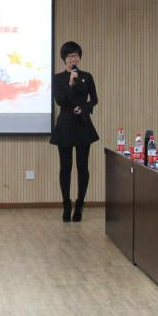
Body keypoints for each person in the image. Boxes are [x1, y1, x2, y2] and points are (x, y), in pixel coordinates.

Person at [49, 41, 99, 223]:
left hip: (83, 124)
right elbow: (60, 101)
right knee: (65, 167)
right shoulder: (58, 78)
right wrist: (70, 83)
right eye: (70, 56)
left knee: (82, 167)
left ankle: (79, 205)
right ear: (64, 59)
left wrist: (84, 108)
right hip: (65, 126)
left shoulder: (87, 76)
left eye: (76, 55)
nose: (73, 59)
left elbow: (94, 99)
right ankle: (66, 205)